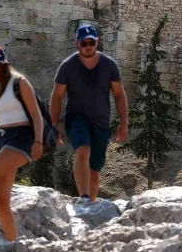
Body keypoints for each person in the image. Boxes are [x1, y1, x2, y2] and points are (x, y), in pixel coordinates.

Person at [50, 24, 129, 204]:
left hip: (101, 122)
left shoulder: (109, 65)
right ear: (76, 43)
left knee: (95, 169)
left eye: (91, 42)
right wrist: (54, 124)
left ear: (97, 42)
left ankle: (90, 204)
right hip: (76, 118)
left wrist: (124, 123)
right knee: (82, 149)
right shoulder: (67, 66)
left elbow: (119, 94)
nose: (88, 46)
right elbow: (57, 96)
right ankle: (84, 197)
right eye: (84, 43)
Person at [0, 45, 44, 241]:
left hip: (21, 138)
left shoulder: (20, 83)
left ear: (3, 64)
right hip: (2, 139)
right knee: (1, 200)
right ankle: (13, 241)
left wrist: (39, 141)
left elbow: (36, 115)